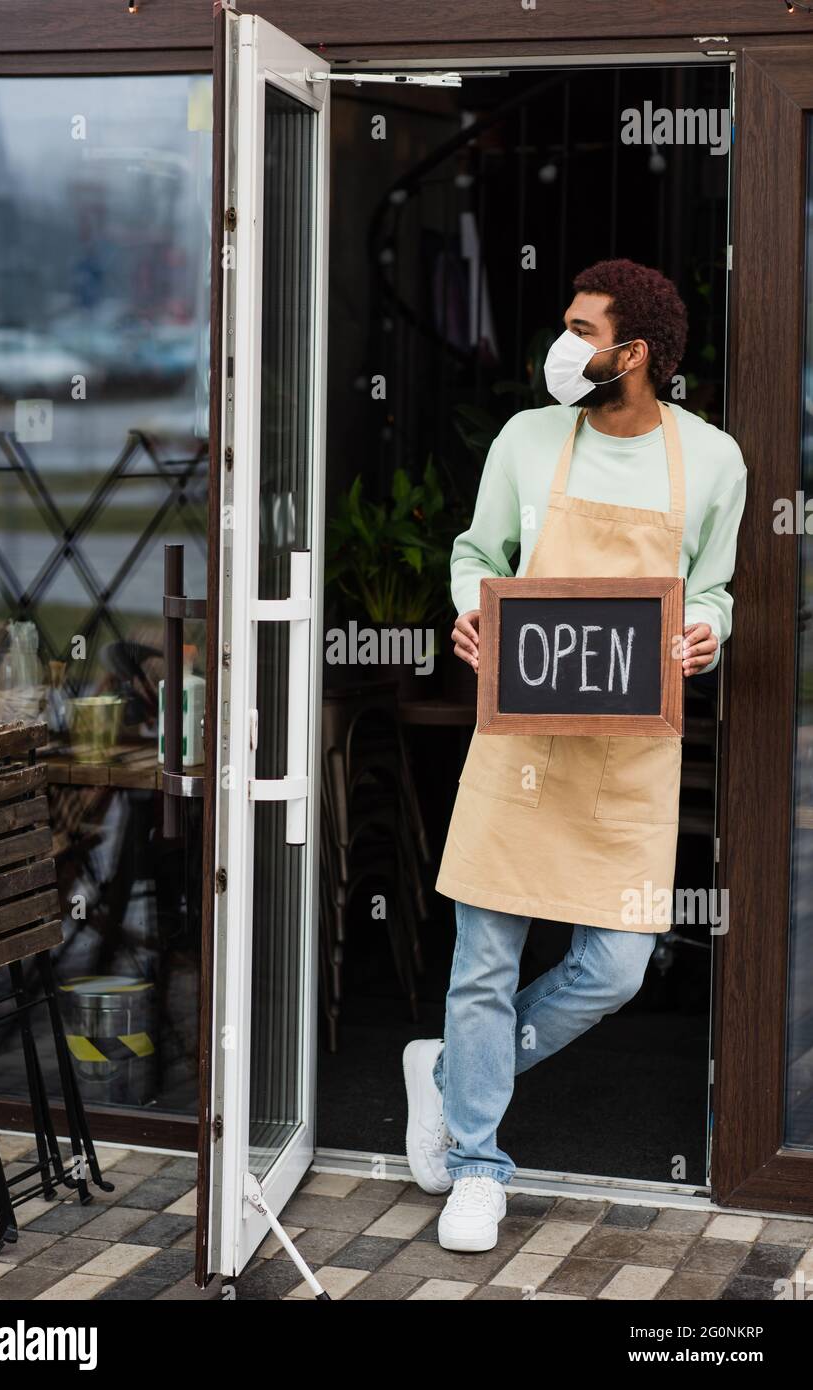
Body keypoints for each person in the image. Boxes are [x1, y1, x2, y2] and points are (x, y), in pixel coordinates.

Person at [403, 258, 747, 1253]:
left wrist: (705, 634)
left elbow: (714, 591)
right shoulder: (524, 440)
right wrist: (475, 616)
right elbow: (478, 555)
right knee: (481, 968)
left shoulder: (714, 462)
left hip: (628, 760)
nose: (560, 345)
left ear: (631, 354)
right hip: (522, 743)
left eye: (578, 329)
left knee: (615, 969)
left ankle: (451, 1073)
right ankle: (477, 1162)